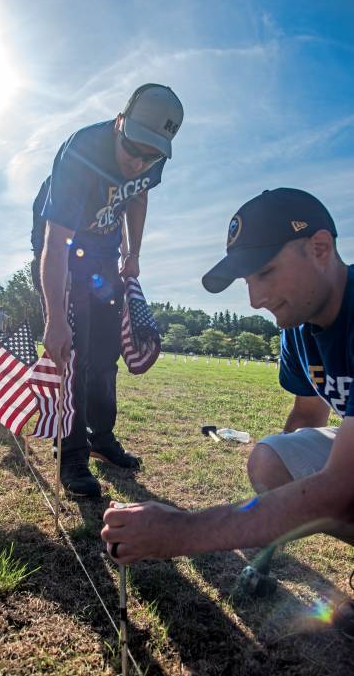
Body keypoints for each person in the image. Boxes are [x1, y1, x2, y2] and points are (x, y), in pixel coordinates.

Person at [102, 188, 354, 577]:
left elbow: (340, 487)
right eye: (247, 281)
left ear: (320, 248)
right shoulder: (299, 328)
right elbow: (307, 416)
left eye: (266, 272)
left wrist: (181, 531)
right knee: (271, 459)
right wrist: (270, 538)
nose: (255, 300)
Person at [32, 84, 184, 497]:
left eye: (150, 155)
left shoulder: (151, 159)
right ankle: (72, 451)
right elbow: (55, 240)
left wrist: (133, 252)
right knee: (75, 350)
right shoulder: (82, 152)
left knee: (104, 355)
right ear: (120, 123)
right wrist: (55, 319)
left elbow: (138, 198)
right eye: (132, 148)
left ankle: (101, 437)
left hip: (103, 254)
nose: (138, 162)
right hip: (63, 249)